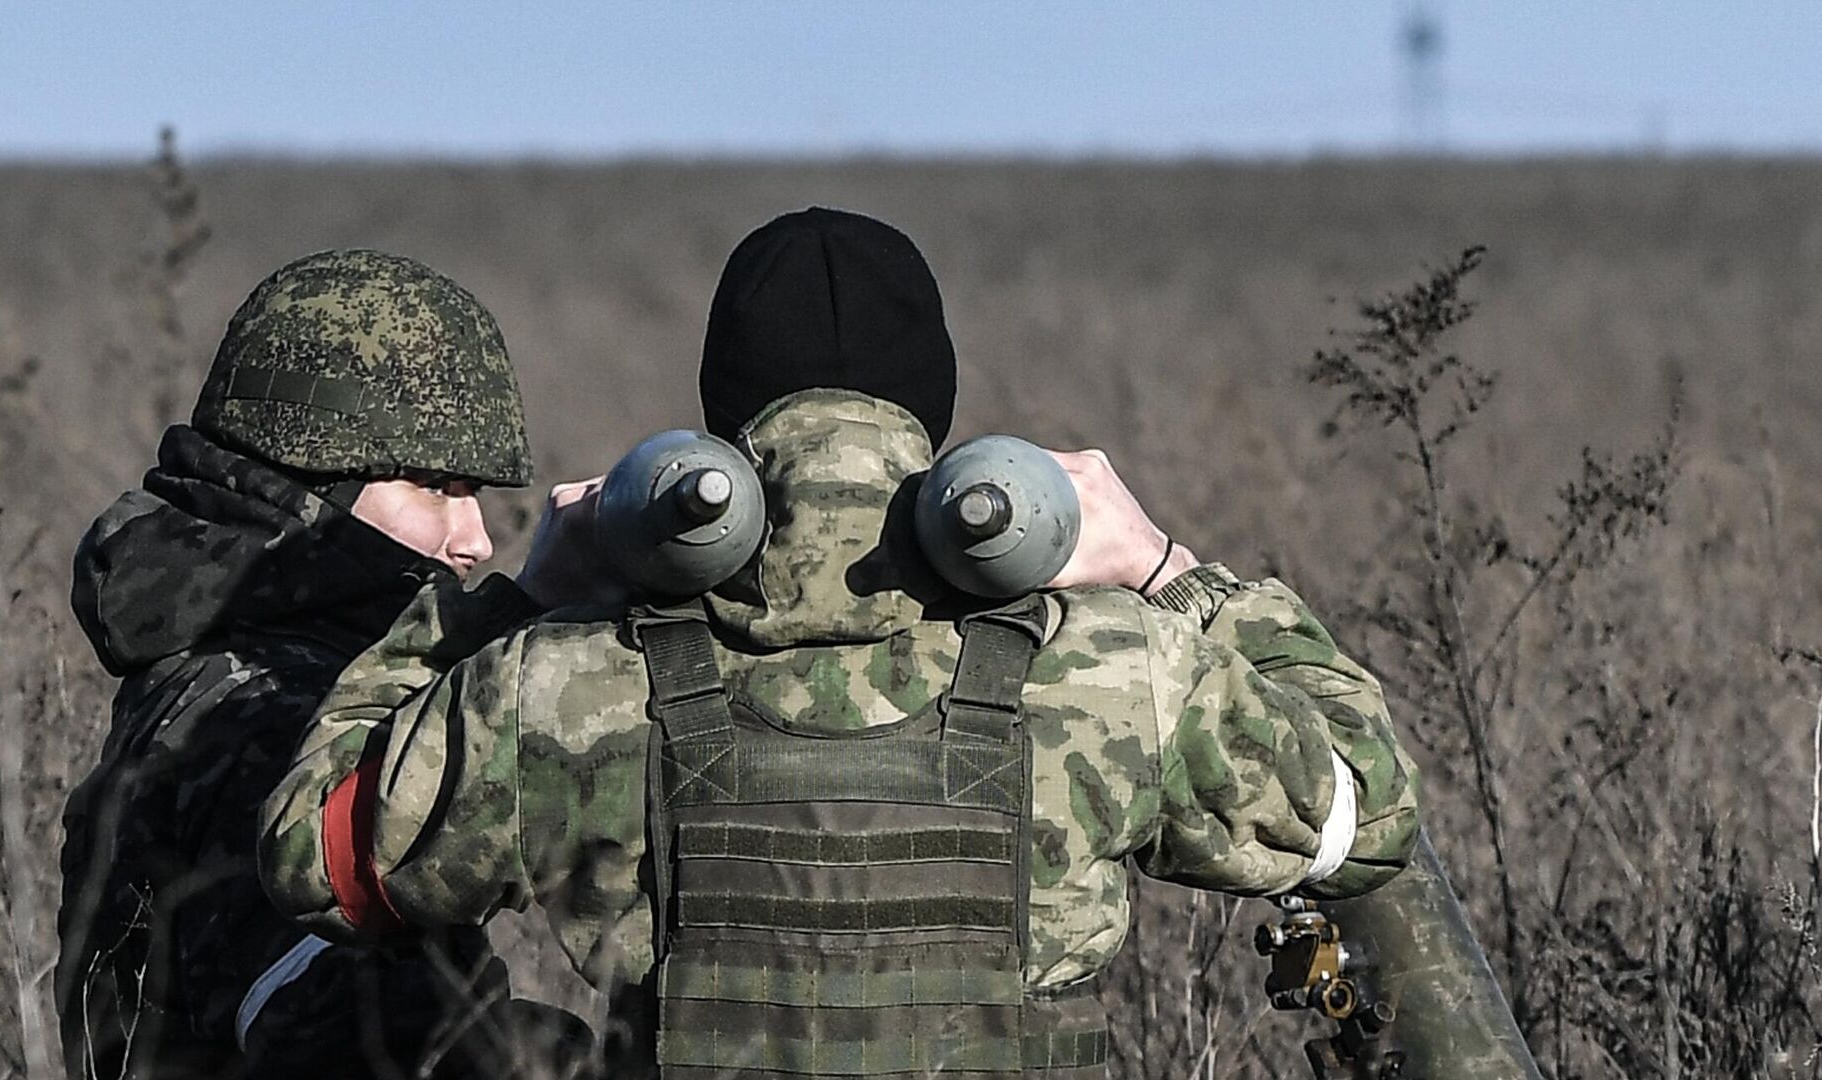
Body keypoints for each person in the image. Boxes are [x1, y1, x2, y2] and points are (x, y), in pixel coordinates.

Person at [259, 210, 1421, 1078]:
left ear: (720, 431)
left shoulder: (563, 686)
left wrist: (510, 604)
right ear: (939, 426)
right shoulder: (1119, 676)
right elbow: (1364, 813)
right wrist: (1169, 571)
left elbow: (319, 857)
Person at [57, 249, 570, 1080]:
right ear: (309, 480)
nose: (473, 537)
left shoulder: (213, 673)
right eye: (433, 486)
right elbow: (384, 1045)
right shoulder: (276, 717)